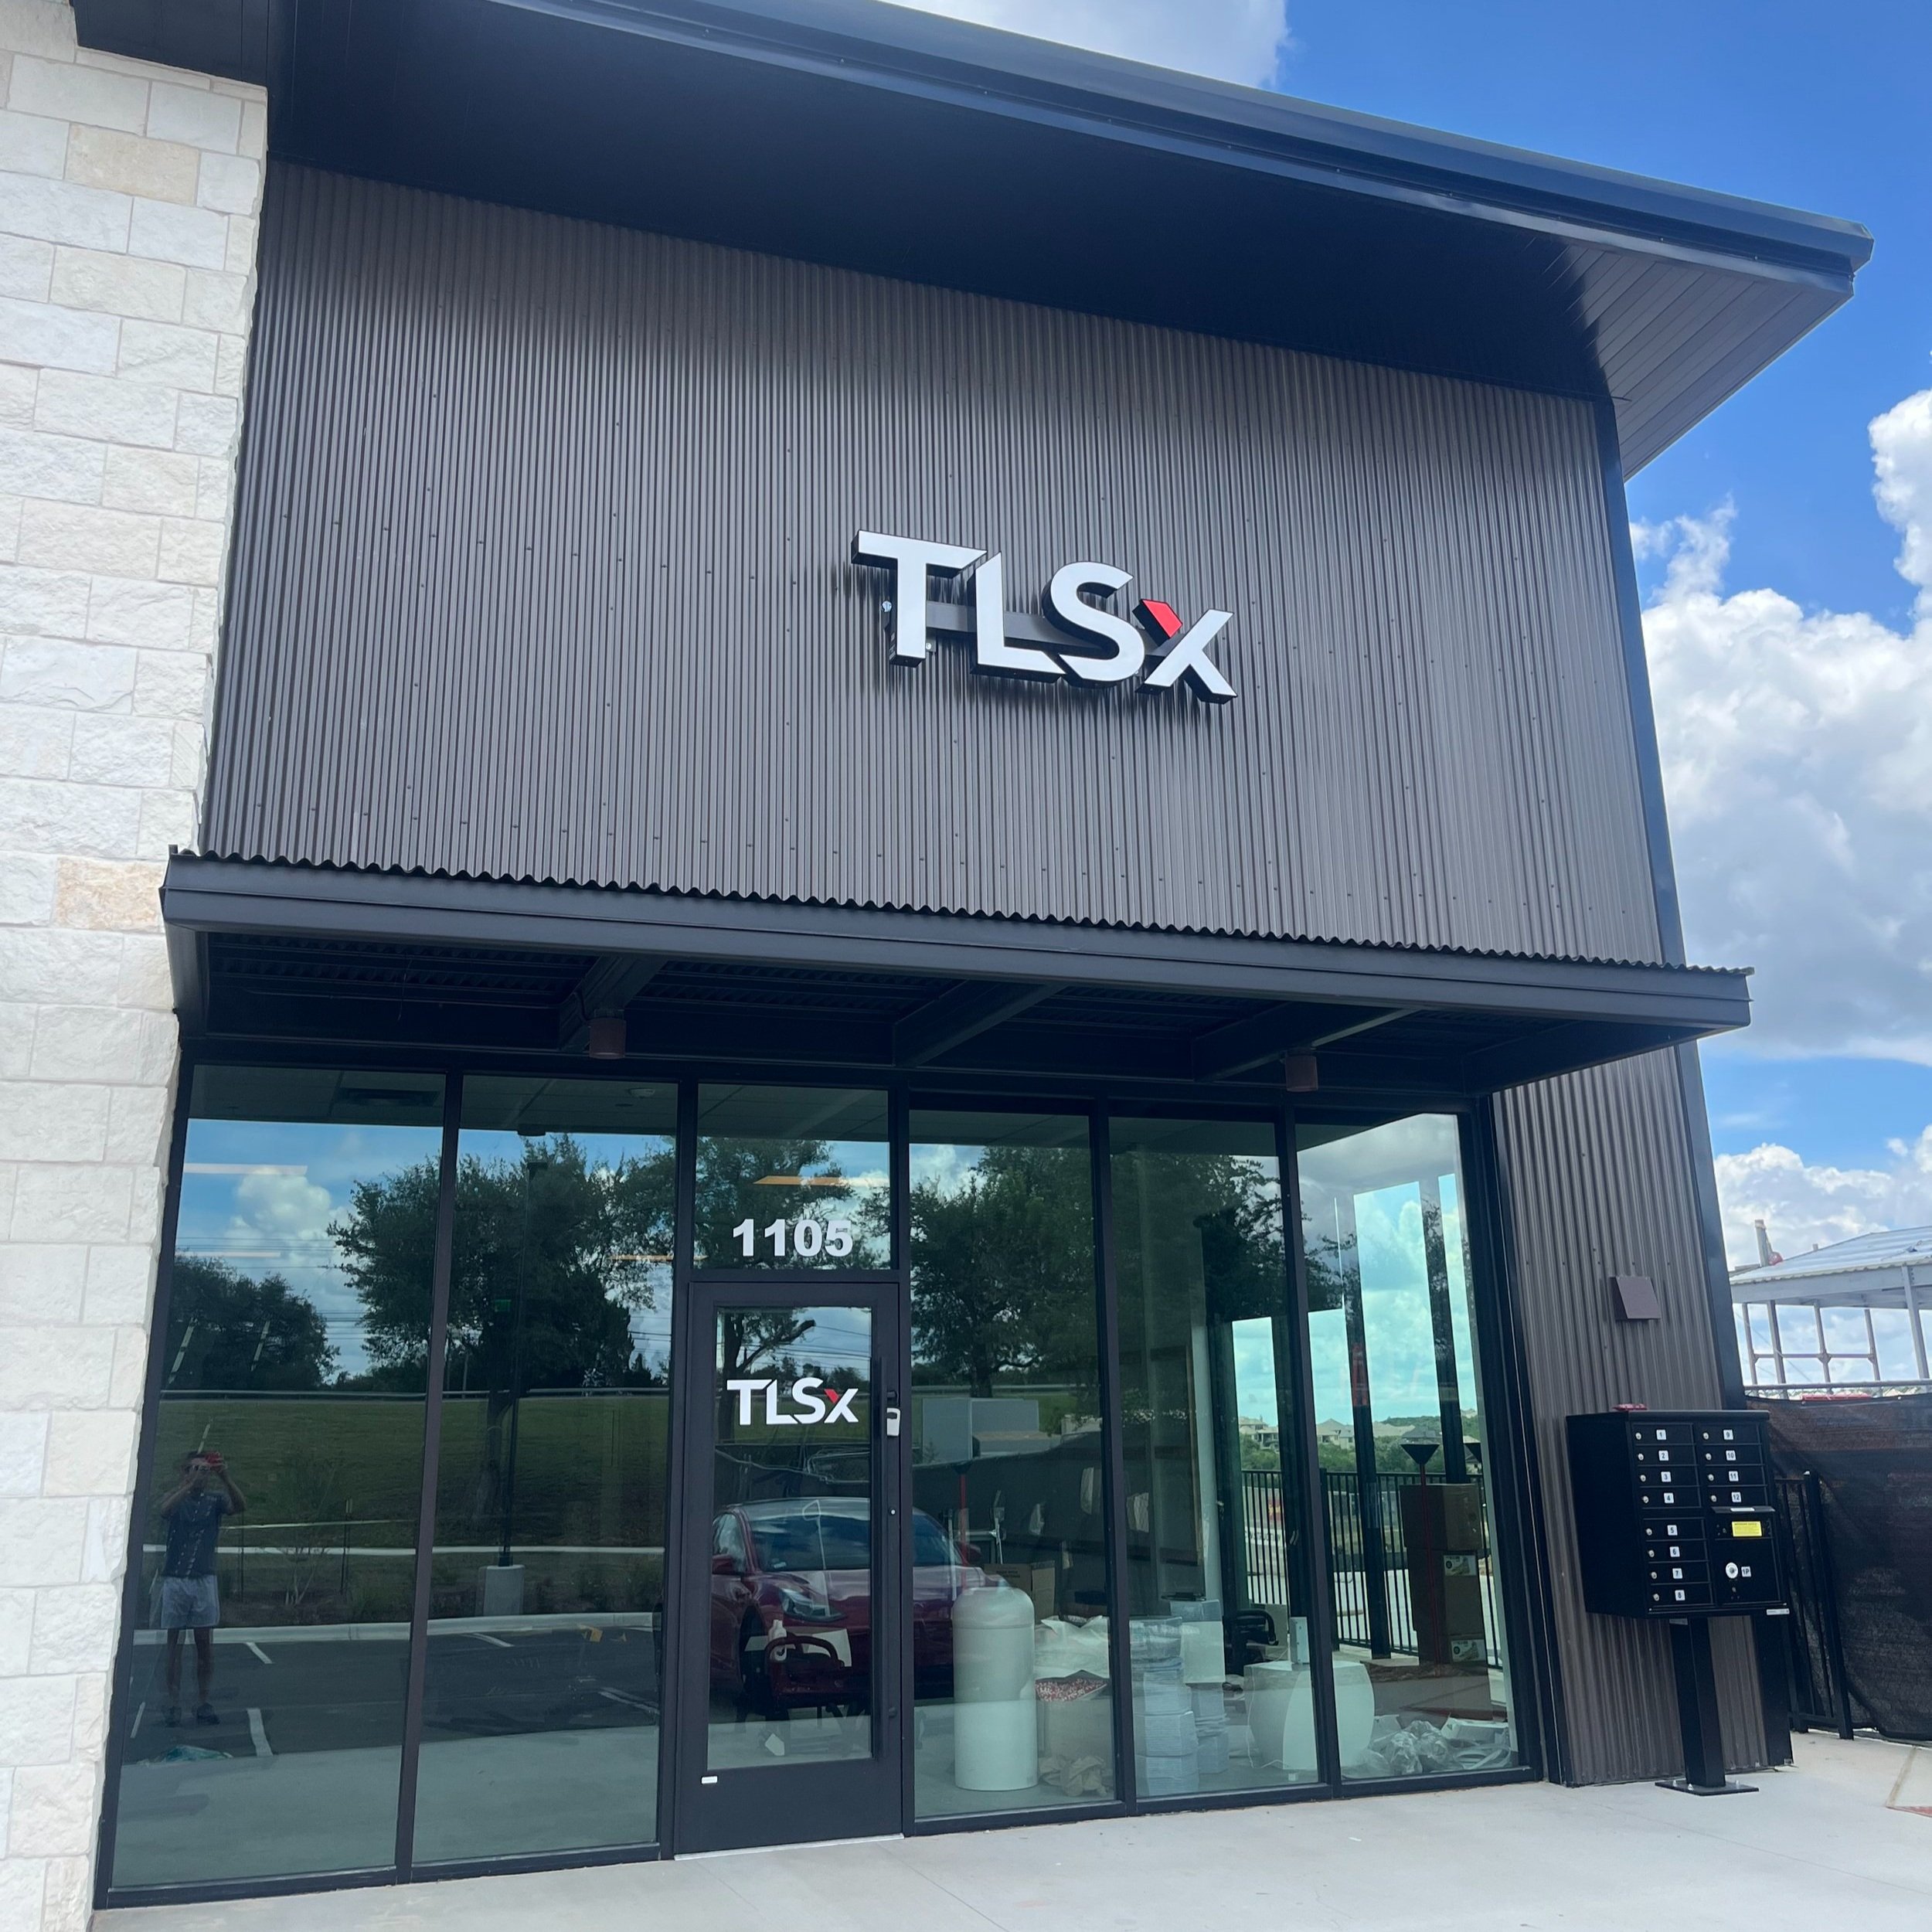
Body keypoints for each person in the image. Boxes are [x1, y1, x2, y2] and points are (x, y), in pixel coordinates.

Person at [157, 1450, 246, 1726]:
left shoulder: (214, 1500)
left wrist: (225, 1477)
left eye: (204, 1471)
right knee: (174, 1644)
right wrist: (186, 1487)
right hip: (176, 1579)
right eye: (195, 1470)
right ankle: (173, 1702)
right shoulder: (176, 1497)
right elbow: (163, 1511)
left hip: (203, 1579)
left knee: (204, 1644)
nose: (200, 1476)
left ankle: (203, 1700)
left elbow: (240, 1506)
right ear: (184, 1473)